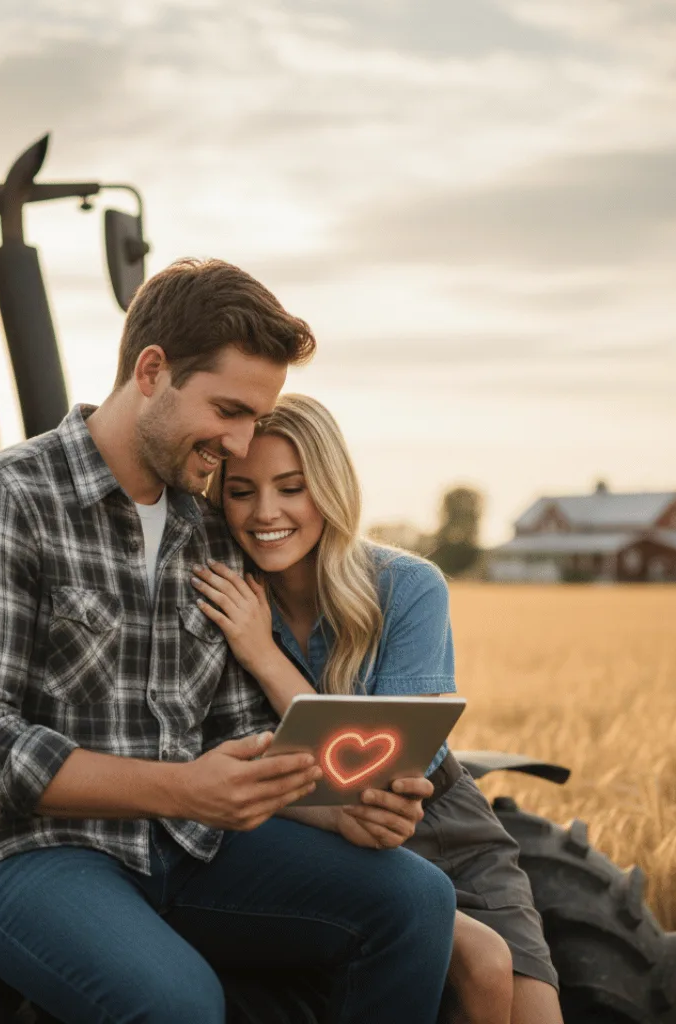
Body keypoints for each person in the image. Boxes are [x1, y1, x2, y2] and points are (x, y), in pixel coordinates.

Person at [0, 259, 457, 1024]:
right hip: (15, 850)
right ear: (152, 371)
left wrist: (337, 813)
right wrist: (182, 789)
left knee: (415, 899)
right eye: (228, 409)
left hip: (183, 844)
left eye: (256, 416)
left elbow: (236, 731)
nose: (240, 441)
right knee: (178, 1003)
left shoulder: (205, 529)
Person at [199, 393, 565, 1024]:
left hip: (435, 816)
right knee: (480, 965)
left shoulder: (407, 585)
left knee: (530, 1006)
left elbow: (381, 761)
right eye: (241, 492)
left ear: (331, 489)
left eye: (292, 488)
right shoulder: (220, 592)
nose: (266, 513)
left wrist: (263, 655)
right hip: (306, 820)